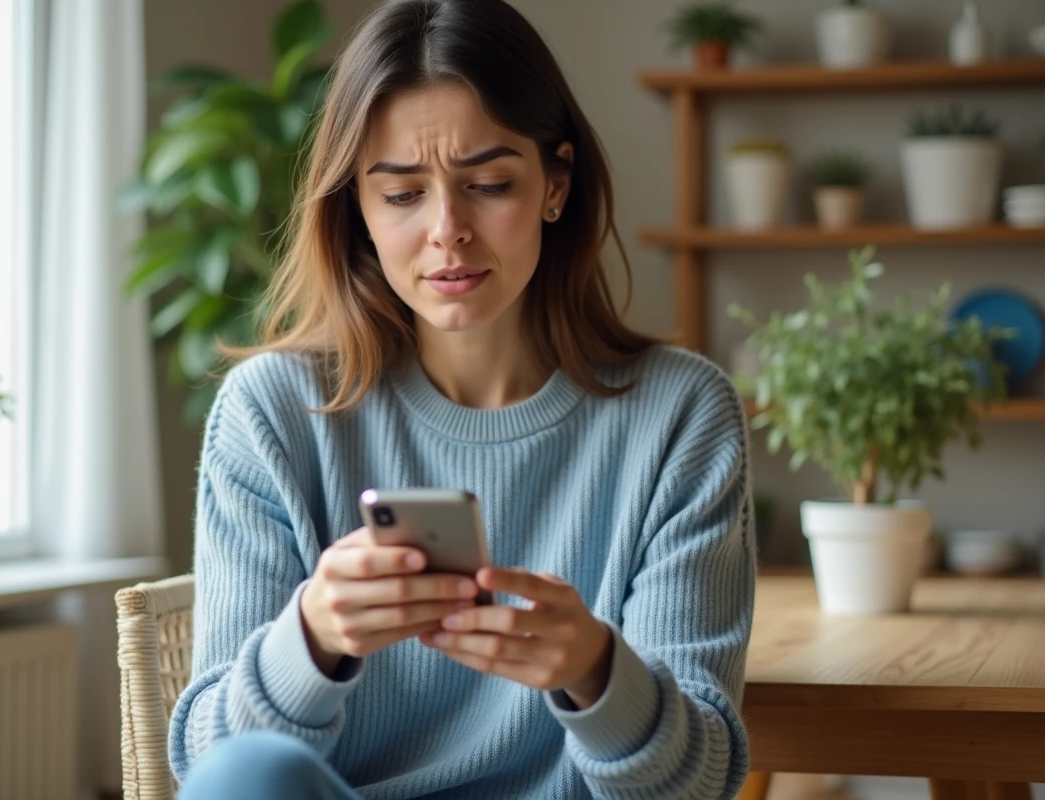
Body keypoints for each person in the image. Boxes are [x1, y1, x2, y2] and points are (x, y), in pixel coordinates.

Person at [168, 0, 756, 797]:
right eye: (401, 194)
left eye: (488, 183)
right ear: (358, 209)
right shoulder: (270, 412)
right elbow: (212, 771)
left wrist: (596, 671)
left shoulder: (681, 415)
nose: (448, 229)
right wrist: (311, 639)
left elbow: (700, 782)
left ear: (555, 184)